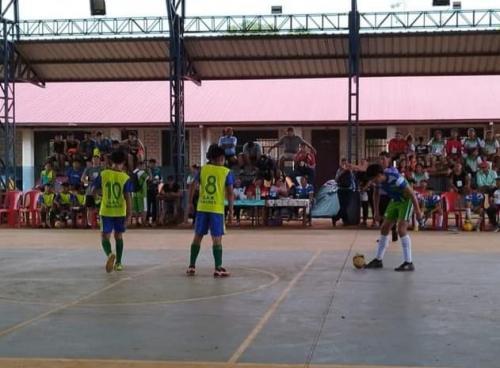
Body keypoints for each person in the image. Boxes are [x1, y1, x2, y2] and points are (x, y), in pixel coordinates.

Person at [187, 145, 235, 277]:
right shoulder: (226, 172)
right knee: (216, 239)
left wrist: (190, 202)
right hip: (216, 209)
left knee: (198, 236)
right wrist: (231, 213)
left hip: (202, 207)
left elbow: (193, 185)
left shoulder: (203, 170)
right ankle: (218, 267)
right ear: (221, 158)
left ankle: (192, 266)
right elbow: (230, 193)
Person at [364, 164, 423, 271]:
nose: (372, 181)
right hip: (394, 201)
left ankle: (408, 262)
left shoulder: (396, 178)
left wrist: (418, 211)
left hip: (406, 201)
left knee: (401, 230)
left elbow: (411, 194)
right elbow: (376, 195)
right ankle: (378, 260)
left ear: (379, 175)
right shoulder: (378, 182)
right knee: (384, 228)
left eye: (373, 179)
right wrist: (376, 212)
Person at [93, 150, 133, 273]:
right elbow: (127, 197)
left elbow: (94, 189)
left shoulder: (103, 174)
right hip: (120, 211)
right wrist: (129, 214)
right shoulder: (125, 177)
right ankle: (119, 263)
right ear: (124, 162)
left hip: (106, 210)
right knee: (118, 236)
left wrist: (97, 198)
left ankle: (110, 254)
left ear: (111, 161)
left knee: (105, 236)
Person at [132, 161, 150, 227]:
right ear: (140, 166)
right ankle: (143, 222)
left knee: (136, 209)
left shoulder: (134, 172)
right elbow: (150, 178)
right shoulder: (142, 172)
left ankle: (137, 221)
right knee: (144, 209)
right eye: (144, 166)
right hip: (142, 193)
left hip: (134, 193)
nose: (144, 167)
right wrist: (149, 171)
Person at [146, 159, 163, 225]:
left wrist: (158, 182)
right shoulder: (147, 170)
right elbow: (147, 179)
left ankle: (154, 219)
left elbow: (160, 179)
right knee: (148, 205)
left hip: (155, 189)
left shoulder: (158, 170)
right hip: (148, 189)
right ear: (149, 163)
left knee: (155, 205)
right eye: (151, 164)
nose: (153, 165)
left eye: (154, 164)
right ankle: (147, 219)